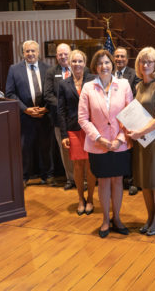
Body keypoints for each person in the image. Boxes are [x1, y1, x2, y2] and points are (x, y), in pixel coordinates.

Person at [78, 49, 133, 238]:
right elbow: (83, 118)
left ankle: (117, 218)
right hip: (97, 145)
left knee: (117, 181)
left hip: (120, 144)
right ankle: (105, 220)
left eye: (107, 62)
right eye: (100, 63)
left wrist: (119, 139)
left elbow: (129, 114)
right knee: (103, 182)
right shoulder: (88, 88)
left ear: (113, 65)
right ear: (95, 67)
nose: (104, 66)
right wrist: (99, 139)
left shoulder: (124, 85)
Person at [127, 47, 155, 236]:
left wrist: (140, 132)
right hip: (141, 141)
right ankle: (150, 217)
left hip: (154, 140)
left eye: (149, 62)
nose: (145, 65)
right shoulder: (138, 86)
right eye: (142, 62)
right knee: (144, 181)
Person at [5, 40, 53, 187]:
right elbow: (10, 93)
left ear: (38, 53)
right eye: (27, 51)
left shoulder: (48, 68)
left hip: (45, 115)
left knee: (46, 146)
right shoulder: (14, 69)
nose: (30, 53)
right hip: (25, 115)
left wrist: (45, 108)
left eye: (33, 51)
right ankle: (24, 177)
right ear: (23, 53)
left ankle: (48, 175)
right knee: (25, 147)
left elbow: (52, 91)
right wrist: (26, 109)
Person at [58, 50, 96, 216]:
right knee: (78, 167)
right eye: (74, 61)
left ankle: (91, 199)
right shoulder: (63, 84)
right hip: (73, 129)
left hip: (91, 129)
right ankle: (80, 199)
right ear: (69, 63)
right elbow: (61, 111)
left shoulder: (93, 80)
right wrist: (64, 135)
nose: (77, 64)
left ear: (85, 63)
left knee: (91, 166)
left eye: (80, 61)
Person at [44, 43, 75, 190]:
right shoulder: (51, 72)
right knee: (65, 149)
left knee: (81, 148)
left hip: (77, 118)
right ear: (56, 56)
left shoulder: (80, 69)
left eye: (65, 53)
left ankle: (84, 179)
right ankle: (70, 179)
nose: (63, 56)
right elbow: (48, 95)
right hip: (59, 119)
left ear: (71, 53)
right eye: (60, 54)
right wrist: (63, 105)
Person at [114, 46, 140, 196]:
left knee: (129, 151)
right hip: (111, 119)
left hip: (129, 117)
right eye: (117, 56)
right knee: (117, 149)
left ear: (127, 58)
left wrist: (125, 113)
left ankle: (131, 181)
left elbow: (136, 95)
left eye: (122, 56)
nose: (119, 59)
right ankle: (118, 178)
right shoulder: (109, 72)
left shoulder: (134, 74)